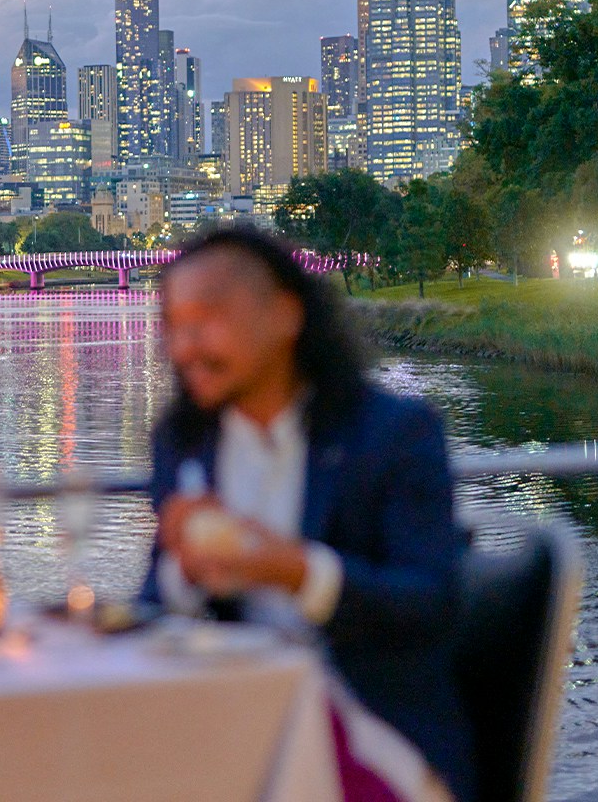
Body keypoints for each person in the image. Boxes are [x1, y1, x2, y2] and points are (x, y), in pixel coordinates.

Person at [142, 226, 473, 801]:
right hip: (227, 726)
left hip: (373, 730)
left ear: (285, 316)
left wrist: (299, 573)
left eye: (205, 321)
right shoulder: (183, 441)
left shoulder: (394, 433)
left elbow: (430, 603)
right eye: (174, 326)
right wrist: (184, 567)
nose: (184, 348)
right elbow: (153, 605)